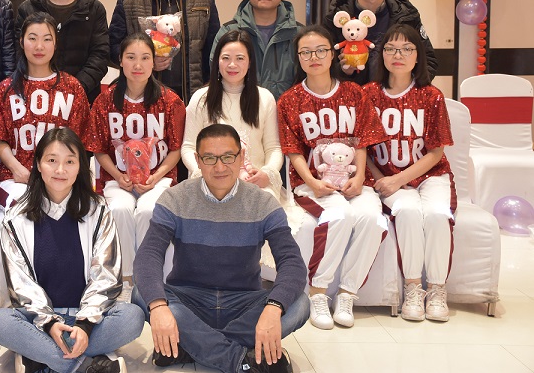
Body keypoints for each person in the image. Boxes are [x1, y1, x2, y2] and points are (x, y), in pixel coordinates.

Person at [133, 124, 309, 373]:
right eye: (209, 158)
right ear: (197, 160)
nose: (219, 167)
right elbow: (148, 255)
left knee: (299, 303)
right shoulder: (174, 199)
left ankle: (190, 345)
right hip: (189, 300)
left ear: (241, 157)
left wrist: (273, 308)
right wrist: (160, 307)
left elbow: (291, 261)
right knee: (142, 294)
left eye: (228, 157)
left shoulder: (263, 203)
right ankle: (239, 360)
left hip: (243, 303)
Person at [0, 128, 145, 373]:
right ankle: (86, 366)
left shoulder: (98, 210)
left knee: (132, 316)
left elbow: (106, 276)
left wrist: (84, 324)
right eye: (52, 160)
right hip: (39, 320)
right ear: (38, 164)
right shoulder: (15, 218)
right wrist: (50, 323)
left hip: (90, 318)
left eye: (70, 162)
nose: (60, 170)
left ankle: (41, 359)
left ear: (80, 167)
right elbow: (21, 285)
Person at [276, 25, 388, 330]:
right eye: (306, 52)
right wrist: (312, 183)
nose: (314, 57)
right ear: (298, 57)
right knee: (339, 216)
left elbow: (362, 140)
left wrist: (360, 176)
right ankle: (318, 292)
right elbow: (293, 151)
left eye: (321, 50)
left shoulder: (354, 93)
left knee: (372, 219)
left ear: (332, 53)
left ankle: (347, 293)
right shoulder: (289, 100)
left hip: (354, 180)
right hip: (311, 184)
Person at [364, 24, 455, 322]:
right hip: (386, 177)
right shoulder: (369, 94)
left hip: (430, 175)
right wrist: (381, 178)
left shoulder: (431, 96)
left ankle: (438, 290)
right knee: (409, 212)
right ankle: (413, 288)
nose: (398, 55)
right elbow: (361, 147)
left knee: (438, 214)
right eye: (390, 49)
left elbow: (436, 152)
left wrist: (399, 179)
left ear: (418, 56)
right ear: (382, 55)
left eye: (406, 49)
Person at [84, 32, 186, 291]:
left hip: (159, 179)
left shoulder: (170, 101)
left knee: (150, 211)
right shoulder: (105, 101)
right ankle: (125, 279)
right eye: (131, 57)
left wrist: (156, 176)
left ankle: (151, 279)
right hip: (116, 179)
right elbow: (99, 150)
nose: (138, 65)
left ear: (154, 62)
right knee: (120, 209)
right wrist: (118, 176)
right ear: (120, 61)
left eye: (145, 58)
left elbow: (176, 150)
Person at [0, 13, 90, 208]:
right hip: (15, 179)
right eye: (32, 38)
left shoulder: (72, 88)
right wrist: (17, 169)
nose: (39, 46)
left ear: (55, 43)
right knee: (28, 208)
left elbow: (79, 140)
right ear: (22, 42)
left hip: (60, 178)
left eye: (47, 39)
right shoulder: (5, 89)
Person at [109, 0, 220, 102]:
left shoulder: (204, 1)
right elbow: (113, 48)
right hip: (143, 98)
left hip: (194, 96)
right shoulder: (128, 2)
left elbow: (215, 51)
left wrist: (208, 90)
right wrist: (145, 60)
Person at [183, 29, 286, 206]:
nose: (232, 65)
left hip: (254, 182)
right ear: (217, 61)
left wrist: (267, 173)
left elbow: (274, 148)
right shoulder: (201, 98)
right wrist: (202, 173)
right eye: (226, 58)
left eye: (240, 58)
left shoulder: (265, 98)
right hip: (210, 181)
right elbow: (188, 147)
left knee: (264, 208)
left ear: (250, 62)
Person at [323, 0, 437, 85]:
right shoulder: (337, 17)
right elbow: (320, 64)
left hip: (394, 96)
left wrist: (404, 88)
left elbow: (429, 61)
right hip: (351, 95)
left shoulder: (406, 15)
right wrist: (343, 70)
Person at [16, 0, 110, 103]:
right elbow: (19, 52)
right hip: (37, 95)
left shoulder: (94, 9)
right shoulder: (28, 9)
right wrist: (40, 86)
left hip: (82, 96)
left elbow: (100, 55)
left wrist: (75, 88)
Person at [211, 0, 302, 100]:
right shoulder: (229, 32)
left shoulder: (298, 34)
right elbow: (215, 72)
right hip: (240, 108)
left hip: (287, 110)